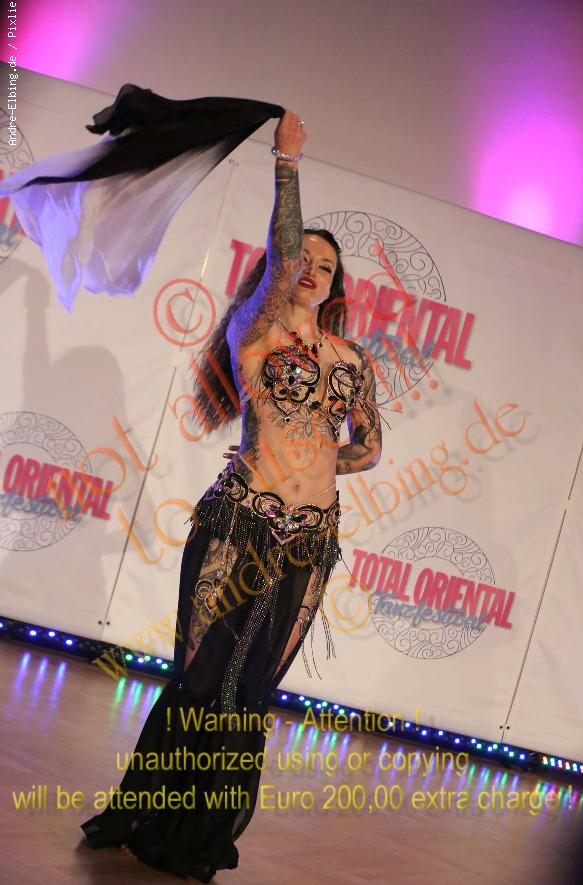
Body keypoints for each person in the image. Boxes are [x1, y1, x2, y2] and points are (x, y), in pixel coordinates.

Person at [80, 110, 383, 881]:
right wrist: (287, 164)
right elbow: (282, 258)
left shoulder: (353, 359)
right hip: (240, 520)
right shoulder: (261, 327)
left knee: (250, 693)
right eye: (303, 256)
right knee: (200, 678)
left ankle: (202, 837)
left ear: (337, 284)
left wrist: (322, 457)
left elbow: (371, 447)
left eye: (326, 264)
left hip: (310, 539)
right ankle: (147, 816)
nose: (311, 267)